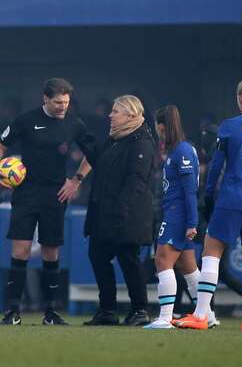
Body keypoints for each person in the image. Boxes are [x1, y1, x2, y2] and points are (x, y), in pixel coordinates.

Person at [176, 73, 242, 332]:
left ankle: (201, 314)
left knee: (211, 254)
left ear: (239, 98)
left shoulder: (229, 126)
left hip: (231, 198)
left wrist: (209, 194)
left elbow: (216, 166)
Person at [0, 78, 93, 325]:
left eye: (66, 102)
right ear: (45, 98)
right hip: (25, 193)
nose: (62, 107)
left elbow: (93, 155)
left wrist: (76, 180)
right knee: (20, 250)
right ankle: (13, 312)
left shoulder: (74, 125)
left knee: (51, 251)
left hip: (56, 195)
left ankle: (51, 313)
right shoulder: (26, 120)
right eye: (57, 102)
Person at [81, 95, 155, 327]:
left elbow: (137, 180)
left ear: (131, 115)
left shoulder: (141, 141)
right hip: (103, 212)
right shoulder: (115, 139)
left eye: (116, 111)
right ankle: (107, 309)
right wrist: (83, 140)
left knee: (128, 260)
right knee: (98, 256)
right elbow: (98, 160)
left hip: (126, 214)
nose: (110, 115)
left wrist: (122, 209)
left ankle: (140, 309)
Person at [144, 105, 202, 329]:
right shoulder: (178, 151)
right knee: (188, 267)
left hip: (178, 215)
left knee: (162, 260)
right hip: (177, 213)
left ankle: (165, 317)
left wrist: (192, 222)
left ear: (162, 127)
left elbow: (190, 191)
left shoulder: (182, 151)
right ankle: (206, 314)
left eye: (158, 129)